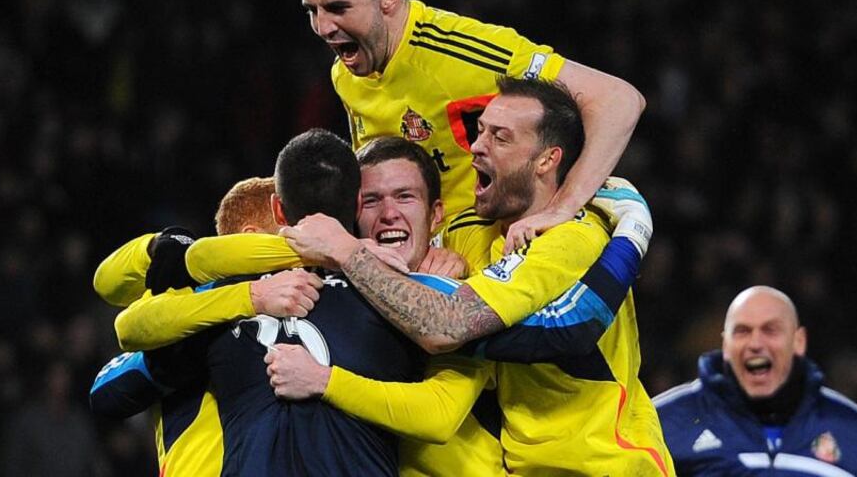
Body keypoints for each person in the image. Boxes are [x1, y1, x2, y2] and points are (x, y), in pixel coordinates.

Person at [284, 77, 671, 475]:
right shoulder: (475, 231)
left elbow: (447, 327)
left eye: (500, 138)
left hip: (608, 465)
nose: (476, 146)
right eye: (480, 131)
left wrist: (349, 254)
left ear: (546, 160)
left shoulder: (571, 238)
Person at [300, 0, 645, 253]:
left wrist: (563, 207)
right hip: (418, 260)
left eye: (337, 8)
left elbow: (618, 100)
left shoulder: (461, 51)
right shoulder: (345, 75)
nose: (323, 27)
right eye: (312, 11)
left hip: (496, 256)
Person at [125, 129, 428, 477]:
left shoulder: (221, 299)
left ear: (277, 210)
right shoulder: (407, 296)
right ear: (359, 204)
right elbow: (441, 413)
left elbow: (121, 357)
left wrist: (249, 297)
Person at [89, 176, 321, 477]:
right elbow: (107, 391)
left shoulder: (312, 296)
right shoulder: (189, 303)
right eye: (289, 232)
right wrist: (156, 246)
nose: (300, 246)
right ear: (248, 235)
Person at [653, 286, 857, 476]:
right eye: (742, 331)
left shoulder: (849, 427)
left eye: (770, 330)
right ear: (725, 345)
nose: (755, 343)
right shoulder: (665, 420)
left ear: (798, 341)